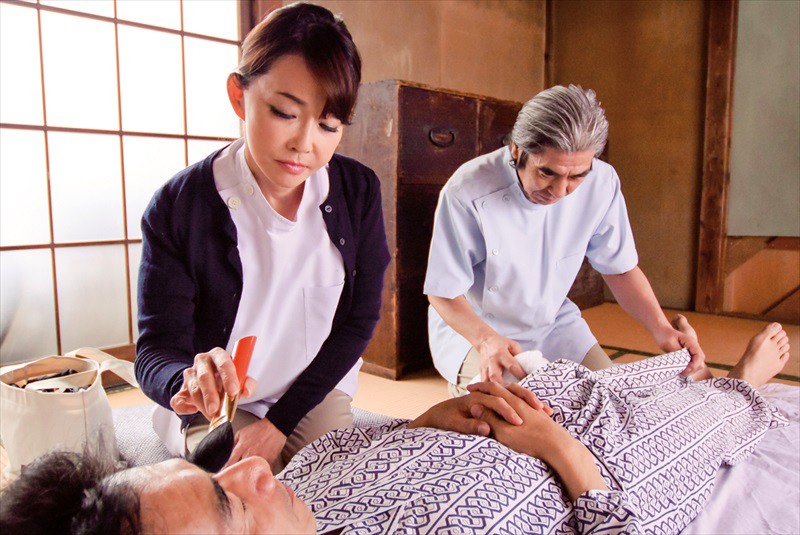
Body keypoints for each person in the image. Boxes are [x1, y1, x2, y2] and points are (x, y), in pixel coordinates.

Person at [2, 320, 790, 534]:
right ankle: (743, 385)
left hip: (512, 409)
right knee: (712, 407)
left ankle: (681, 373)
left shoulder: (297, 486)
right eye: (230, 504)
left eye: (218, 475)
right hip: (601, 463)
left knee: (600, 376)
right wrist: (558, 450)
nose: (254, 468)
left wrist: (435, 418)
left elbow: (344, 420)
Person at [134, 2, 390, 473]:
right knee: (238, 483)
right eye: (284, 113)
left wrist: (279, 423)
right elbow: (153, 352)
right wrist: (186, 381)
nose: (304, 144)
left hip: (311, 390)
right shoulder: (179, 206)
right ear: (239, 96)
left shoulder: (357, 193)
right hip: (221, 402)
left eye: (328, 125)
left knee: (336, 474)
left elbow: (359, 321)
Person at [424, 84, 705, 397]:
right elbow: (443, 291)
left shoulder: (603, 183)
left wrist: (661, 328)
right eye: (547, 173)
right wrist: (486, 340)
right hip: (475, 327)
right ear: (516, 150)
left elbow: (620, 268)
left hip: (553, 323)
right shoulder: (468, 189)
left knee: (608, 398)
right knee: (515, 412)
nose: (560, 191)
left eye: (576, 176)